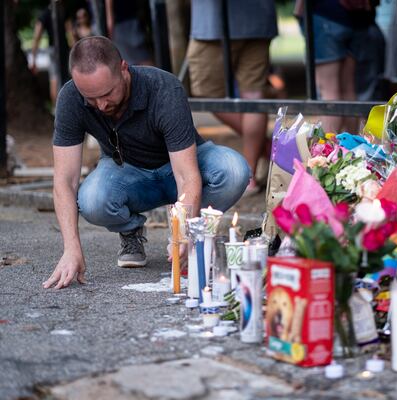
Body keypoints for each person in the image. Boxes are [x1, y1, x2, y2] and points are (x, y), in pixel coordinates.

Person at [43, 36, 249, 289]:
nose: (101, 104)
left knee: (234, 170)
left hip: (182, 166)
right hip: (127, 171)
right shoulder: (71, 97)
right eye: (91, 98)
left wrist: (183, 232)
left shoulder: (164, 89)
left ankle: (195, 236)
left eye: (108, 93)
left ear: (123, 69)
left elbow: (187, 176)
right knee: (92, 200)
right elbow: (64, 181)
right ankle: (131, 230)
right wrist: (71, 248)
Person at [187, 0, 278, 195]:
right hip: (258, 17)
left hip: (213, 23)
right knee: (253, 96)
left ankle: (268, 154)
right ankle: (251, 175)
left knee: (207, 95)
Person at [295, 0, 379, 132]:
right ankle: (351, 147)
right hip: (359, 18)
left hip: (327, 14)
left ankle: (328, 150)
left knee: (329, 91)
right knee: (348, 89)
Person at [106, 0, 154, 66]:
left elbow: (110, 19)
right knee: (140, 59)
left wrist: (110, 29)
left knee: (139, 60)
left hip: (122, 25)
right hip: (132, 21)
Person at [30, 4, 58, 106]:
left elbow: (36, 37)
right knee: (56, 78)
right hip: (58, 50)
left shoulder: (45, 14)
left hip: (55, 50)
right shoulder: (57, 12)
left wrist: (33, 59)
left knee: (54, 78)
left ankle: (56, 109)